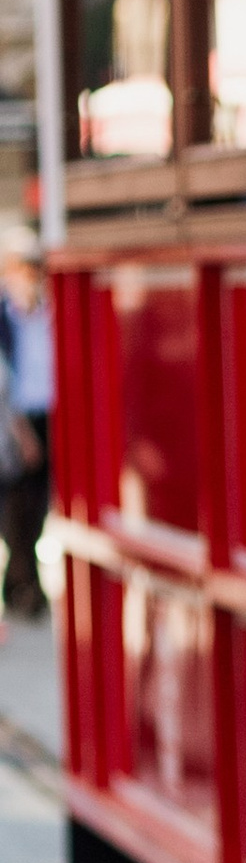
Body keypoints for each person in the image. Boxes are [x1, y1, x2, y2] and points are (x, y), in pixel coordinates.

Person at [0, 248, 52, 623]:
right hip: (15, 421)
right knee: (20, 504)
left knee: (39, 505)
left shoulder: (51, 316)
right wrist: (22, 434)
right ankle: (24, 585)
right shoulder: (6, 318)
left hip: (49, 414)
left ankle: (19, 581)